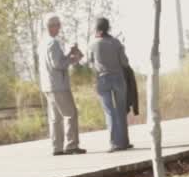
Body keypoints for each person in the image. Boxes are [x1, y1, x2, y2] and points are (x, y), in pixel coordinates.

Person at [85, 18, 135, 152]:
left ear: (98, 30)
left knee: (109, 112)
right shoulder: (116, 42)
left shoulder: (93, 44)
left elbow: (90, 64)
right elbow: (124, 62)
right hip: (118, 78)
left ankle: (114, 143)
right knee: (121, 110)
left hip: (102, 80)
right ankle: (124, 142)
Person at [39, 13, 85, 156]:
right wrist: (73, 59)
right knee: (70, 113)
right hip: (59, 85)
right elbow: (57, 64)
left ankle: (57, 147)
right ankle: (71, 145)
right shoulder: (53, 43)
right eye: (58, 25)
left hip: (48, 85)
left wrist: (68, 54)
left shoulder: (42, 43)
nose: (59, 27)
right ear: (51, 26)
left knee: (55, 118)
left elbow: (55, 61)